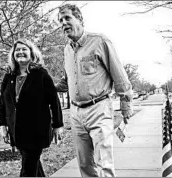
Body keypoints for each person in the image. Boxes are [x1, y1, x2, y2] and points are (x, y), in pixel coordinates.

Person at [56, 4, 133, 177]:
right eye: (61, 20)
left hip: (99, 109)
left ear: (80, 19)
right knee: (84, 164)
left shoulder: (100, 41)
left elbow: (120, 76)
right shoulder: (67, 49)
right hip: (76, 112)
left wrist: (126, 107)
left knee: (103, 162)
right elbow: (67, 80)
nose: (63, 23)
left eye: (67, 18)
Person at [0, 38, 64, 177]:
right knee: (33, 165)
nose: (20, 52)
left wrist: (57, 125)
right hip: (16, 130)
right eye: (17, 50)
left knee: (28, 169)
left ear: (31, 53)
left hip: (36, 130)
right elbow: (3, 103)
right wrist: (3, 126)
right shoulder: (8, 76)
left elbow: (54, 100)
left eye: (24, 49)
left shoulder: (41, 74)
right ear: (13, 54)